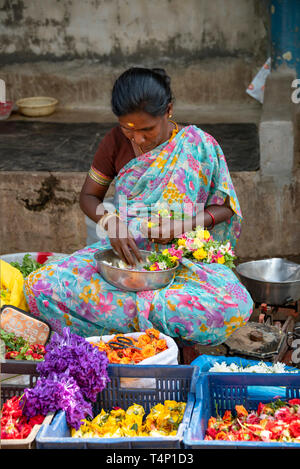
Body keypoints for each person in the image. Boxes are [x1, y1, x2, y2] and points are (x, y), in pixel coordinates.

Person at [24, 67, 253, 345]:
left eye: (147, 130)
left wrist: (184, 225)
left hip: (184, 263)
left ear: (167, 110)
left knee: (233, 304)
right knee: (43, 287)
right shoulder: (114, 143)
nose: (139, 139)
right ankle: (153, 328)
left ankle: (127, 326)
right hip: (125, 258)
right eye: (128, 129)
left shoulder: (199, 145)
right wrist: (111, 223)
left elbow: (225, 206)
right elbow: (89, 197)